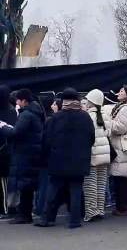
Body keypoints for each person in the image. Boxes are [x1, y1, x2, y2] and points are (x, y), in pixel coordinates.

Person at [36, 88, 95, 229]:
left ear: (63, 101)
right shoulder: (85, 117)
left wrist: (47, 156)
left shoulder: (55, 118)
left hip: (58, 160)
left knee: (53, 189)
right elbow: (91, 138)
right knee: (75, 190)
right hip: (79, 160)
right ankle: (74, 221)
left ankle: (46, 219)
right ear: (77, 100)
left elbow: (46, 140)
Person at [0, 89, 44, 225]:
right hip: (33, 152)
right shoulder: (36, 112)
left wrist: (3, 127)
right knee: (28, 184)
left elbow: (16, 133)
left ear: (24, 101)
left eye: (18, 100)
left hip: (25, 154)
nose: (16, 103)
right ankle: (25, 214)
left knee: (25, 185)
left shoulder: (26, 115)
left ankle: (24, 215)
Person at [108, 85, 127, 216]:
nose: (118, 93)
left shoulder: (125, 109)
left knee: (123, 179)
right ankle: (123, 206)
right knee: (121, 178)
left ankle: (126, 207)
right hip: (120, 146)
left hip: (122, 147)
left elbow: (121, 128)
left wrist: (109, 122)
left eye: (121, 91)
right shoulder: (122, 107)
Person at [83, 89, 111, 222]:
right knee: (101, 184)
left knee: (90, 184)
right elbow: (109, 132)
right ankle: (100, 210)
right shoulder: (105, 114)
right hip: (105, 154)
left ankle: (91, 212)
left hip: (93, 154)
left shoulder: (88, 116)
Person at [0, 85, 17, 217]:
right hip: (7, 150)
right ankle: (6, 207)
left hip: (4, 151)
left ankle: (5, 208)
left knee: (3, 182)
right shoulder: (11, 111)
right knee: (5, 182)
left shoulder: (10, 111)